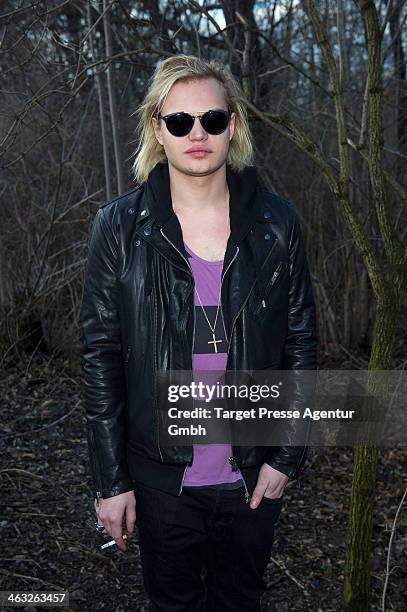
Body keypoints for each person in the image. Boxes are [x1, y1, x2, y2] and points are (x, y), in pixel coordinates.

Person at [80, 54, 317, 612]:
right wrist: (110, 482)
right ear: (156, 129)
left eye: (211, 120)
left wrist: (287, 458)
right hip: (161, 481)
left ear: (231, 124)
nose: (197, 134)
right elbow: (100, 359)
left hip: (252, 478)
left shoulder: (275, 223)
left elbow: (300, 345)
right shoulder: (118, 228)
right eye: (179, 121)